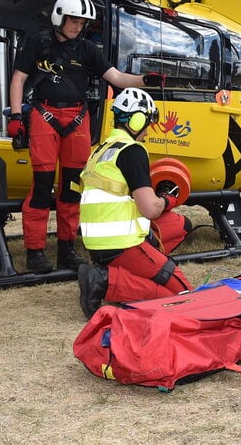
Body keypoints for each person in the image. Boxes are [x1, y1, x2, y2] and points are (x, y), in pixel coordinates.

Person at [7, 0, 164, 274]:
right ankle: (35, 253)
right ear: (60, 17)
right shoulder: (37, 43)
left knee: (72, 188)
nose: (78, 27)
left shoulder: (88, 50)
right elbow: (18, 78)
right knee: (42, 187)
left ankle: (67, 250)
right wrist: (17, 116)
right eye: (74, 21)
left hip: (77, 120)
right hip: (44, 115)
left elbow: (116, 78)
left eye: (82, 23)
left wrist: (145, 80)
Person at [77, 88, 192, 319]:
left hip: (98, 242)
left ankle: (120, 274)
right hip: (120, 243)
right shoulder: (132, 151)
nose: (148, 132)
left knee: (182, 225)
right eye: (147, 124)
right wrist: (167, 199)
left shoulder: (100, 150)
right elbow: (150, 209)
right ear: (137, 120)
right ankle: (104, 281)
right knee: (182, 293)